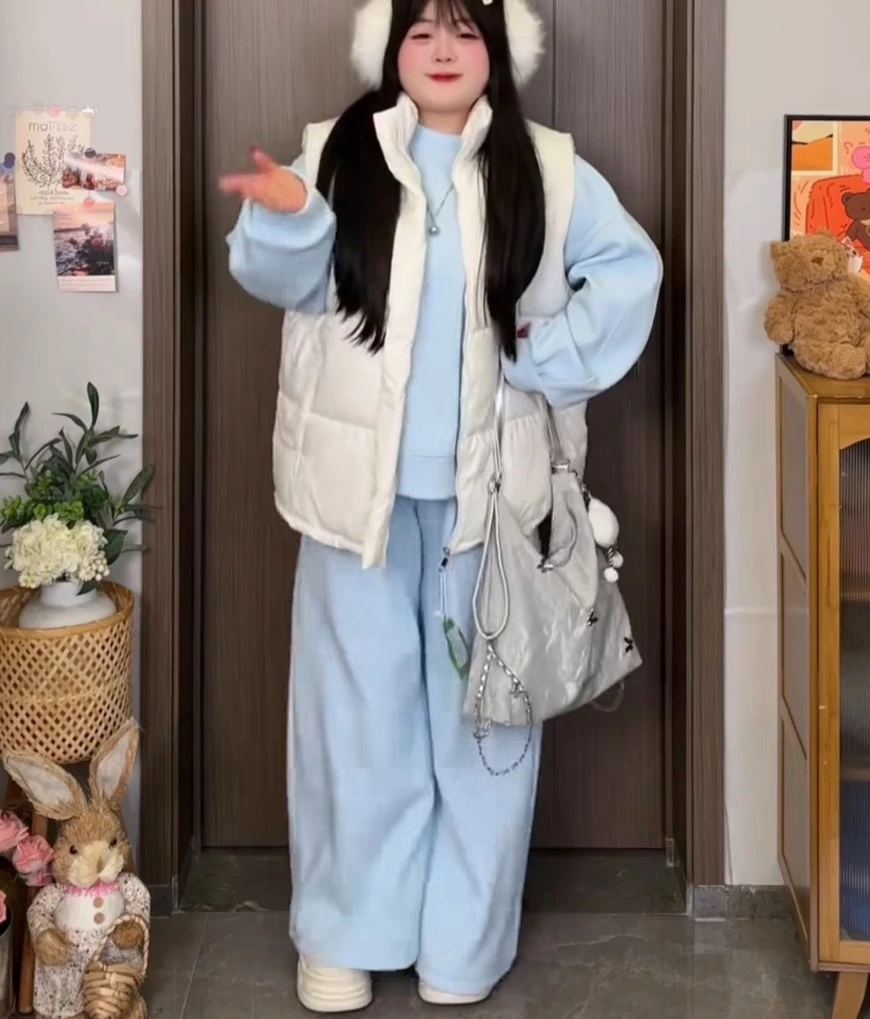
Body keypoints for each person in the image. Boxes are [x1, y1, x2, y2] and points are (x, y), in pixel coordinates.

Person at [221, 0, 663, 1011]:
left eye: (465, 30)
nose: (444, 50)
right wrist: (288, 215)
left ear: (498, 49)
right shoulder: (335, 151)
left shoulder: (549, 169)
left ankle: (463, 947)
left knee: (487, 735)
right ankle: (343, 934)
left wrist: (546, 358)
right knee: (353, 730)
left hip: (496, 512)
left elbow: (631, 274)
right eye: (421, 32)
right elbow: (288, 283)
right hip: (354, 511)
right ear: (390, 50)